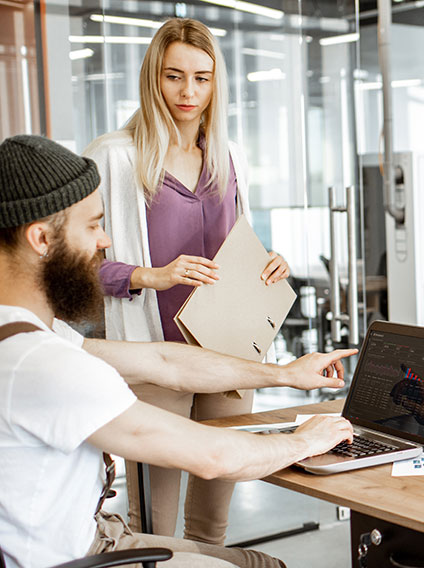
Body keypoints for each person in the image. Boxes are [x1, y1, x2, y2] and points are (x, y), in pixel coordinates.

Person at [0, 134, 355, 568]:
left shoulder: (29, 337)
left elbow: (163, 361)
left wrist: (284, 374)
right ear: (41, 238)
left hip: (90, 538)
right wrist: (304, 442)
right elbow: (213, 456)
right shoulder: (44, 365)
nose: (105, 241)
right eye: (93, 225)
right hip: (79, 559)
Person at [83, 18, 287, 543]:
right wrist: (149, 275)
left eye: (202, 77)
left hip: (229, 354)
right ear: (154, 78)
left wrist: (269, 262)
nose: (189, 91)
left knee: (213, 523)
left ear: (217, 82)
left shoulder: (229, 155)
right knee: (154, 524)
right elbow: (77, 265)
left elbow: (237, 243)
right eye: (175, 76)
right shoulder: (115, 157)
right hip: (156, 361)